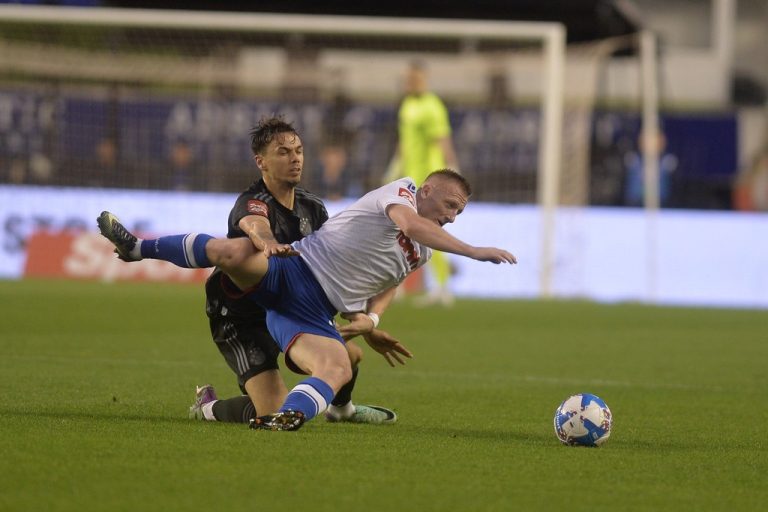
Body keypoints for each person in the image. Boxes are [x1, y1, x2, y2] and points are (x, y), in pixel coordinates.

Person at [98, 169, 516, 431]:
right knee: (236, 252)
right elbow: (410, 224)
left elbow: (391, 281)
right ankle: (137, 248)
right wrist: (475, 250)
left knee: (338, 364)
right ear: (426, 190)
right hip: (293, 268)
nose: (452, 217)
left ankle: (281, 417)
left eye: (459, 213)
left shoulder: (425, 248)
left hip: (310, 312)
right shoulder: (403, 194)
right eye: (450, 205)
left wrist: (371, 321)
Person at [388, 61, 461, 306]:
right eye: (409, 78)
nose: (411, 83)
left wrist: (453, 170)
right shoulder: (407, 105)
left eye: (416, 78)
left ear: (425, 79)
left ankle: (442, 286)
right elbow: (404, 140)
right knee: (400, 230)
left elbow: (442, 139)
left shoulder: (433, 106)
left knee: (430, 231)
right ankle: (397, 285)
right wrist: (395, 165)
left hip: (431, 180)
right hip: (410, 178)